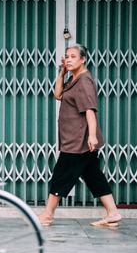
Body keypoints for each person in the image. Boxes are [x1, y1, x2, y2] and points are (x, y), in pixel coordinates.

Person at [38, 44, 123, 227]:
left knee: (61, 174)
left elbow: (90, 110)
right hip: (77, 139)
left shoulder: (84, 81)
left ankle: (47, 214)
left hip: (78, 141)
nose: (68, 59)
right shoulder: (73, 78)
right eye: (66, 56)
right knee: (93, 175)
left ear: (83, 59)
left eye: (73, 57)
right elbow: (57, 94)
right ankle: (113, 213)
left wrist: (92, 135)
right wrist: (62, 73)